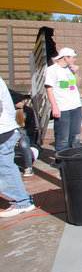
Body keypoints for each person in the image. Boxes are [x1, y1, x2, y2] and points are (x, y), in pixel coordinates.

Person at [0, 76, 36, 217]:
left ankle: (22, 201)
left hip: (4, 132)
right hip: (6, 130)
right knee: (6, 167)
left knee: (5, 168)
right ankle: (22, 199)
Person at [44, 47, 82, 161]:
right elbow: (49, 89)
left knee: (75, 135)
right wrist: (54, 107)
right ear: (65, 57)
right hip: (63, 107)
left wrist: (76, 72)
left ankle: (74, 158)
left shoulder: (70, 69)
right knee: (63, 136)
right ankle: (61, 160)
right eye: (72, 58)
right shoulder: (52, 70)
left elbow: (77, 84)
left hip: (75, 105)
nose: (74, 60)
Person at [12, 91, 40, 177]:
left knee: (24, 144)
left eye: (22, 101)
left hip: (25, 134)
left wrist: (22, 135)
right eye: (19, 101)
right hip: (12, 133)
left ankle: (28, 167)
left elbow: (32, 127)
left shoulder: (28, 111)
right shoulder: (10, 111)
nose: (21, 103)